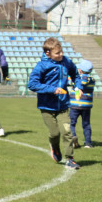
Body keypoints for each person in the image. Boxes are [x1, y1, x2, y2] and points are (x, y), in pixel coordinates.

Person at [28, 38, 79, 169]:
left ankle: (70, 158)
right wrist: (52, 89)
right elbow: (32, 84)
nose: (61, 55)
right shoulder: (41, 66)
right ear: (48, 53)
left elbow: (75, 74)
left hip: (63, 105)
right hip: (46, 106)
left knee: (67, 131)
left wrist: (78, 87)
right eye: (57, 53)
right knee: (55, 133)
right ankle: (55, 147)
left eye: (61, 52)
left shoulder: (66, 61)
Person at [69, 60, 96, 149]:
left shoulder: (76, 79)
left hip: (74, 105)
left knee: (71, 123)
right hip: (86, 106)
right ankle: (88, 143)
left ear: (80, 70)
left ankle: (73, 136)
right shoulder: (92, 79)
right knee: (86, 124)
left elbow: (68, 82)